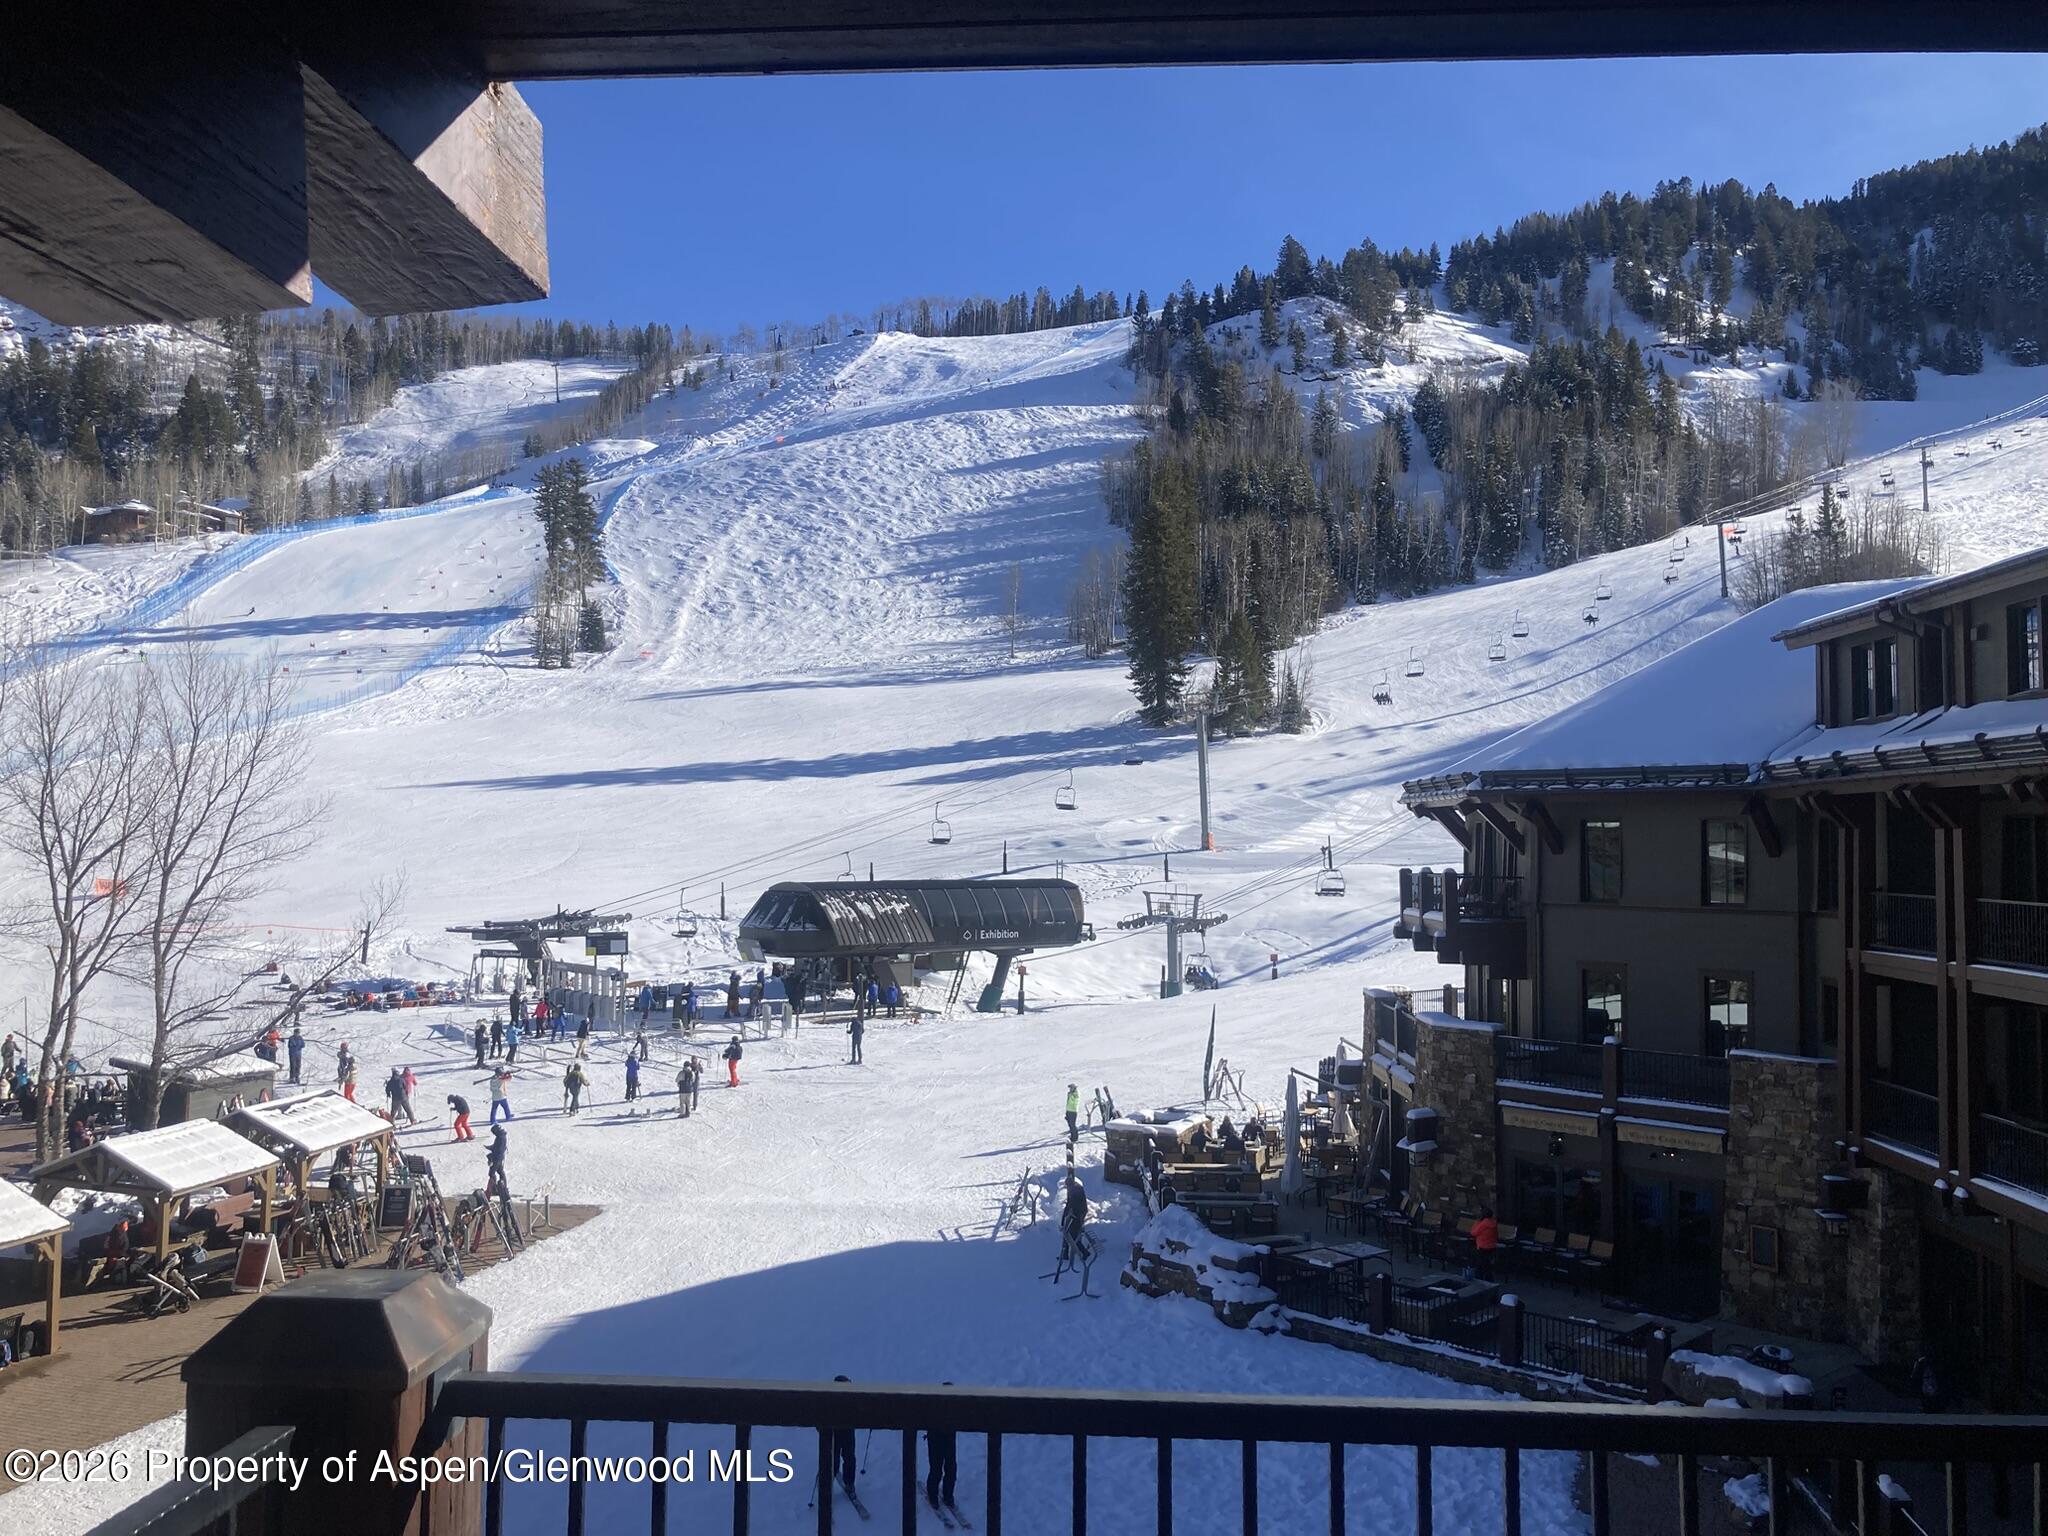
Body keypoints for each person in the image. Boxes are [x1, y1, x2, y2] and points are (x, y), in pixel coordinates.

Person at [925, 1391, 958, 1509]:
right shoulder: (934, 1408)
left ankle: (948, 1496)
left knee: (951, 1469)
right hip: (935, 1441)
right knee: (936, 1469)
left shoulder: (955, 1408)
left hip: (948, 1441)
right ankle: (933, 1495)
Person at [831, 1377, 859, 1498]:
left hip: (848, 1432)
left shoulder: (852, 1400)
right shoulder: (829, 1400)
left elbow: (862, 1412)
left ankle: (850, 1484)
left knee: (849, 1458)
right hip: (834, 1433)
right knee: (833, 1459)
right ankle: (826, 1483)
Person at [1060, 1176, 1088, 1261]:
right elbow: (1069, 1204)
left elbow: (1073, 1205)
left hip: (1078, 1215)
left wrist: (1069, 1217)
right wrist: (1064, 1217)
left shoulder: (1076, 1190)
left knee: (1073, 1235)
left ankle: (1085, 1252)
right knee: (1066, 1233)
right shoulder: (1073, 1189)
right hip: (1074, 1215)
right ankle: (1065, 1254)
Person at [1471, 1206, 1500, 1281]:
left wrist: (1477, 1222)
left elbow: (1474, 1232)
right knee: (1487, 1264)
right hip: (1492, 1246)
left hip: (1482, 1246)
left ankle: (1479, 1280)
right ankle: (1489, 1279)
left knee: (1480, 1265)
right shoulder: (1494, 1223)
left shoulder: (1483, 1223)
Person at [486, 1124, 509, 1195]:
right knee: (500, 1171)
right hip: (500, 1157)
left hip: (497, 1158)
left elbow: (499, 1150)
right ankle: (503, 1187)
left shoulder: (501, 1138)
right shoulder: (501, 1136)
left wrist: (491, 1156)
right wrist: (490, 1147)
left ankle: (495, 1189)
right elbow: (497, 1146)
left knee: (492, 1173)